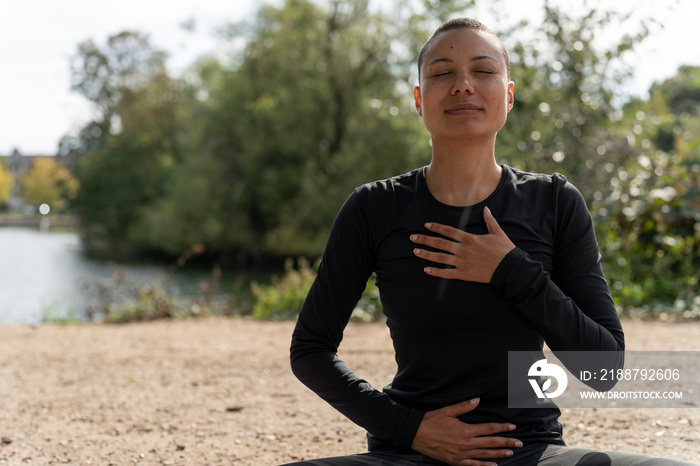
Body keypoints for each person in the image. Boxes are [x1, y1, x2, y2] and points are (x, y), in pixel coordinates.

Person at [285, 18, 696, 466]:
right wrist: (411, 429)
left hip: (530, 452)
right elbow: (310, 350)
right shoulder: (374, 208)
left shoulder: (554, 202)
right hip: (408, 455)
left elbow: (603, 369)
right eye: (442, 73)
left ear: (509, 95)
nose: (463, 85)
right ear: (420, 101)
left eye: (482, 71)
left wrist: (512, 271)